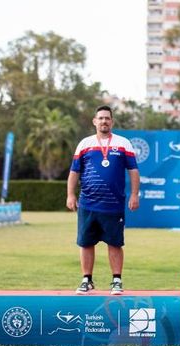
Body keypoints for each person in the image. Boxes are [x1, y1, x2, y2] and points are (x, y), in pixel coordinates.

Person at [66, 105, 140, 295]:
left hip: (113, 205)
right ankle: (86, 280)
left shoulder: (123, 143)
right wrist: (70, 194)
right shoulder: (85, 144)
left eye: (107, 118)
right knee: (85, 242)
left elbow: (133, 170)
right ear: (94, 121)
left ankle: (116, 281)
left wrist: (134, 194)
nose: (104, 121)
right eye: (100, 118)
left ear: (112, 122)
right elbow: (74, 171)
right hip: (88, 204)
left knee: (115, 243)